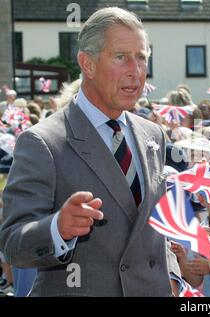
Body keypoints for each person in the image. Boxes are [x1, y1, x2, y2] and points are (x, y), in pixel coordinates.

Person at [0, 7, 171, 296]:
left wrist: (173, 280)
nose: (136, 70)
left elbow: (156, 231)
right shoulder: (43, 142)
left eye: (142, 57)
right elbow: (14, 244)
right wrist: (57, 228)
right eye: (121, 57)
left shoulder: (153, 135)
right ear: (87, 64)